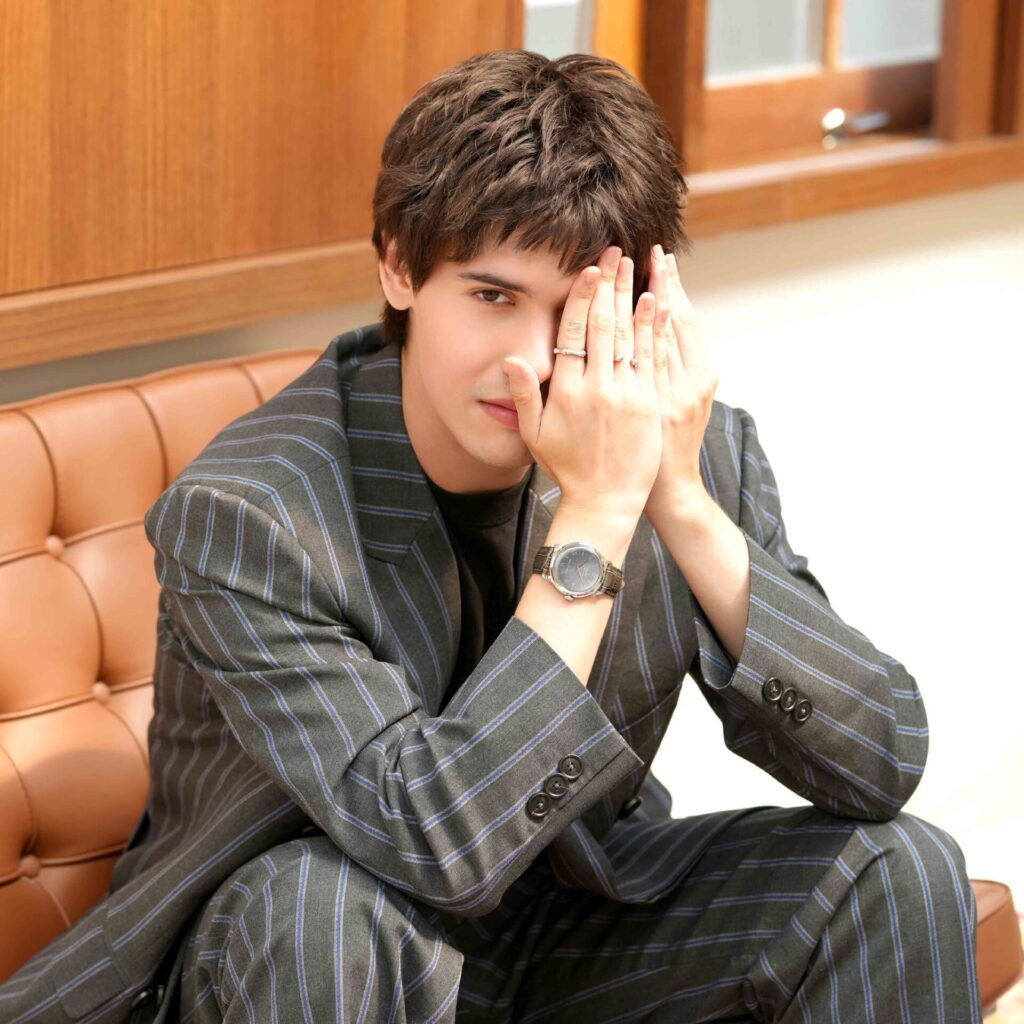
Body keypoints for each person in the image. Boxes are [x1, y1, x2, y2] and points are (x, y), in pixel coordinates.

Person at [0, 50, 980, 1024]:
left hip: (562, 919)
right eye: (493, 297)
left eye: (577, 309)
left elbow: (880, 759)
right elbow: (436, 843)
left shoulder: (685, 447)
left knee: (897, 870)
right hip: (327, 947)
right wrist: (595, 519)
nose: (533, 361)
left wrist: (677, 497)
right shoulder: (252, 515)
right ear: (398, 264)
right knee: (317, 909)